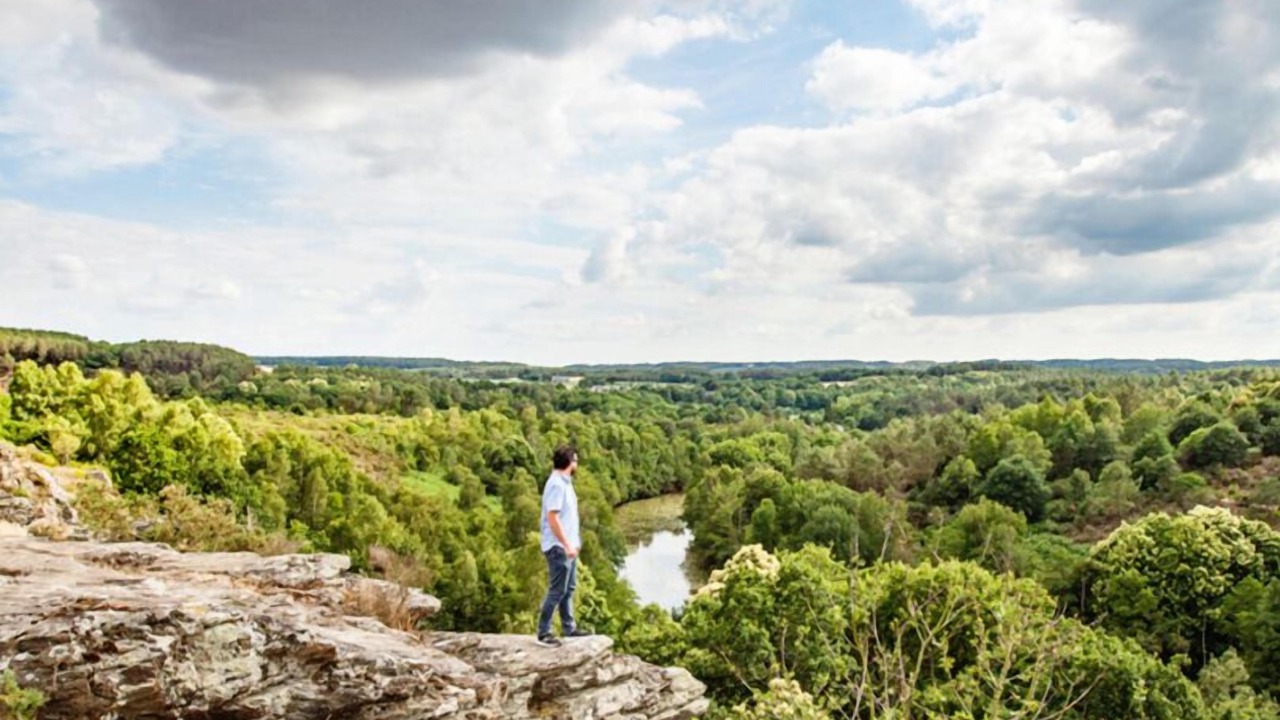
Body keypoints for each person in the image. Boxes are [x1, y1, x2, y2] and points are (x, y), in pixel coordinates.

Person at [536, 444, 591, 647]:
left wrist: (574, 544)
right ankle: (544, 632)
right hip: (559, 547)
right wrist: (567, 544)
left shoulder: (566, 483)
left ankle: (569, 628)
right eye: (575, 460)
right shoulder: (557, 485)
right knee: (557, 590)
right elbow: (553, 517)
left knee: (569, 589)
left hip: (569, 547)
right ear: (569, 463)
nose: (577, 463)